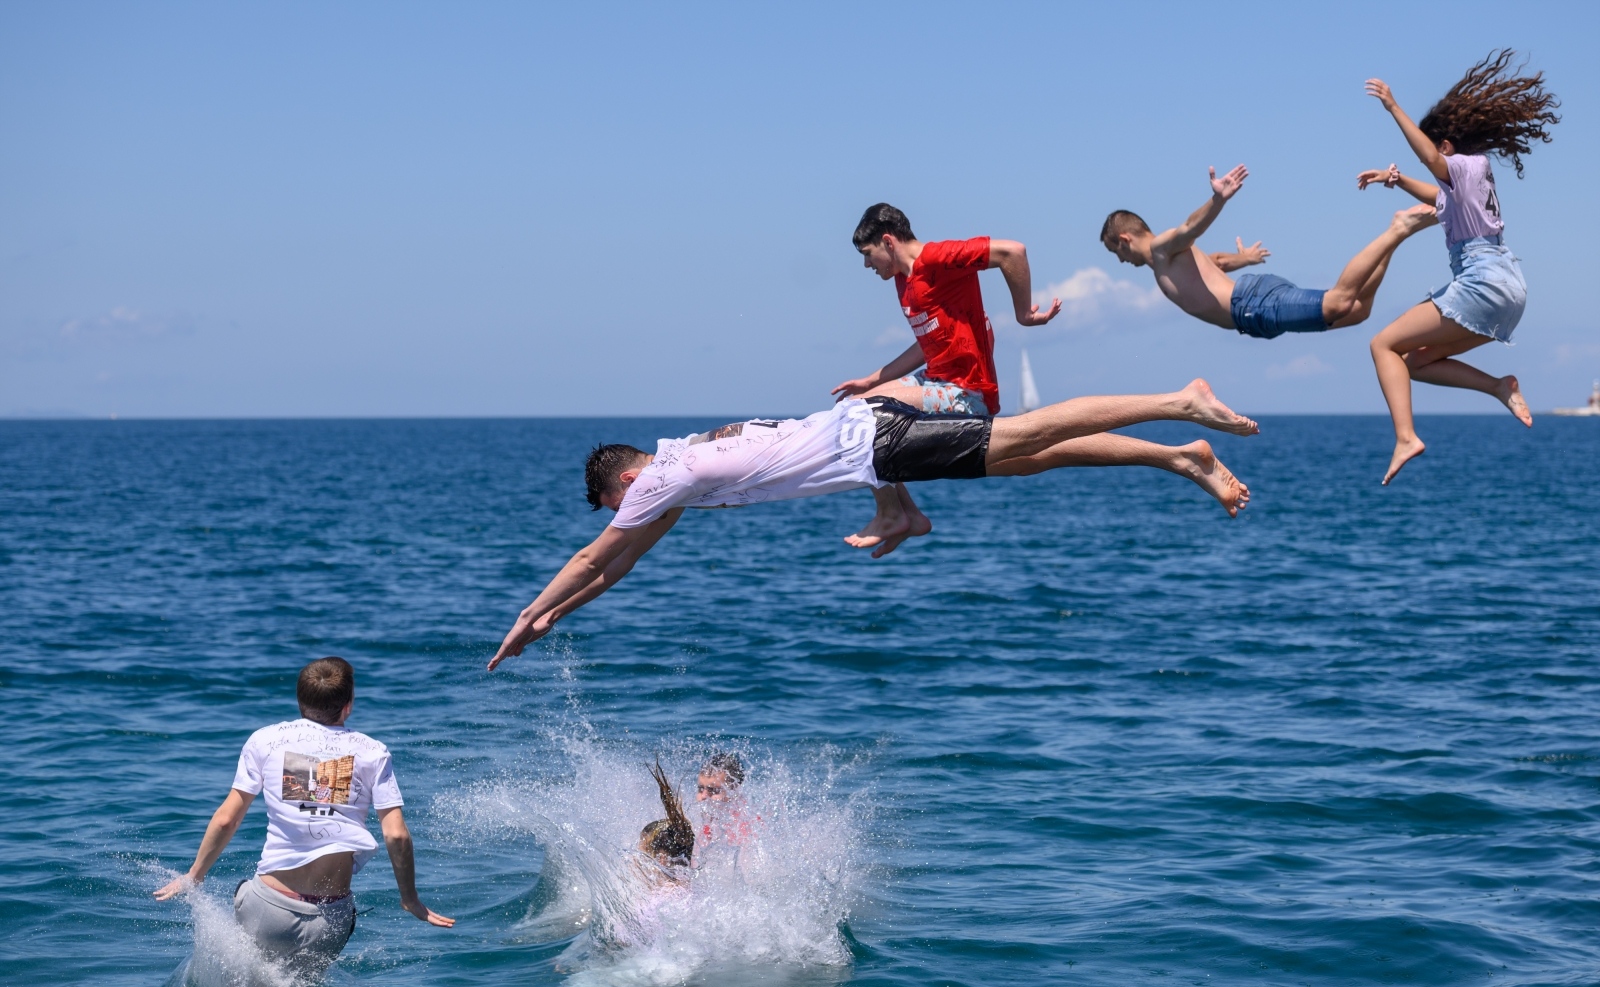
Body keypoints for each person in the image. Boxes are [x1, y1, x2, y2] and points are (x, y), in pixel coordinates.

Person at [486, 379, 1257, 669]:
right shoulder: (678, 472)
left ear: (626, 479)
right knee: (1029, 459)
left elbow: (596, 555)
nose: (630, 515)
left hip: (876, 440)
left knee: (1026, 433)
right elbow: (618, 564)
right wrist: (557, 613)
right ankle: (1177, 457)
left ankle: (1177, 402)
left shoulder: (660, 478)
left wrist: (529, 612)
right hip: (876, 439)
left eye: (618, 504)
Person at [154, 657, 453, 975]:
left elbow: (228, 819)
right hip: (330, 918)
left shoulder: (265, 740)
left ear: (299, 701)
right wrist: (409, 898)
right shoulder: (372, 752)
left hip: (269, 905)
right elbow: (396, 834)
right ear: (348, 705)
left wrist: (195, 874)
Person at [1357, 51, 1558, 484]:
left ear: (1447, 146)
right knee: (1412, 363)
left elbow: (1433, 164)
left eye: (1435, 150)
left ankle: (1406, 437)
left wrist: (1393, 105)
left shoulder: (1468, 164)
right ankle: (1499, 387)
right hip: (1509, 292)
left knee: (1381, 346)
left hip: (1482, 282)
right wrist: (1395, 181)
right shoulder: (1469, 182)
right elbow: (1436, 195)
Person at [832, 204, 1063, 557]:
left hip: (967, 392)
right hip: (937, 381)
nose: (867, 265)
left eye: (867, 255)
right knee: (853, 409)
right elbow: (927, 344)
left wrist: (1023, 314)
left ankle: (892, 513)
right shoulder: (903, 280)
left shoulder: (938, 258)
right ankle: (906, 515)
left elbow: (1012, 251)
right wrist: (871, 380)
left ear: (888, 241)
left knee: (865, 415)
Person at [1100, 166, 1437, 342]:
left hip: (1250, 306)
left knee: (1338, 303)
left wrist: (1218, 201)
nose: (1120, 261)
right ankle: (1397, 236)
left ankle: (1398, 228)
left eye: (1115, 251)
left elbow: (1189, 228)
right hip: (1253, 309)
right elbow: (1213, 263)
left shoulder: (1160, 252)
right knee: (1357, 311)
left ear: (1125, 239)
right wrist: (1243, 260)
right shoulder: (1171, 259)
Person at [636, 760, 695, 887]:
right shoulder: (690, 888)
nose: (637, 861)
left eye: (643, 855)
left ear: (660, 859)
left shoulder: (656, 897)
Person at [696, 752, 758, 849]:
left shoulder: (745, 828)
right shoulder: (704, 821)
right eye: (700, 789)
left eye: (713, 790)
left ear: (734, 790)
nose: (704, 796)